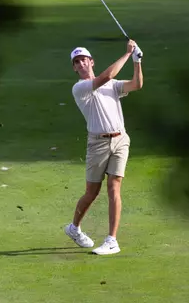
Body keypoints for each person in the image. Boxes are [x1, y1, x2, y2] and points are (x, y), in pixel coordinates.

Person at [65, 39, 144, 255]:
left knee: (114, 186)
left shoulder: (112, 85)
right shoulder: (80, 88)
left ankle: (112, 240)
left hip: (120, 140)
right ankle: (74, 228)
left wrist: (137, 62)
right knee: (92, 192)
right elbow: (105, 77)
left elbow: (136, 85)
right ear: (74, 68)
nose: (81, 64)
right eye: (76, 62)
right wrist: (128, 54)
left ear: (91, 61)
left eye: (83, 60)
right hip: (97, 143)